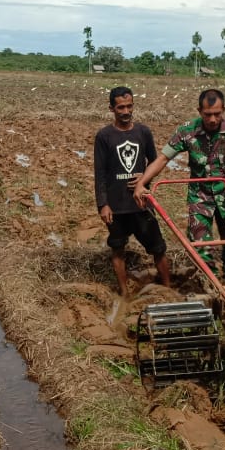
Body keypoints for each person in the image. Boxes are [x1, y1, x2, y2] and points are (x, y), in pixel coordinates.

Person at [133, 88, 225, 284]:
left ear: (223, 109)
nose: (212, 119)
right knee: (199, 243)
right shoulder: (187, 131)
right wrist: (141, 183)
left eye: (217, 114)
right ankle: (212, 284)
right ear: (199, 111)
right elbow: (163, 158)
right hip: (199, 196)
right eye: (207, 114)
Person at [93, 86, 171, 298]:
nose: (126, 111)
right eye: (121, 107)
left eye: (129, 106)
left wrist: (145, 178)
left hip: (140, 203)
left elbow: (154, 162)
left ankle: (168, 289)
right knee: (118, 249)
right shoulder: (104, 136)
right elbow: (99, 173)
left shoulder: (143, 132)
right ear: (111, 108)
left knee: (158, 248)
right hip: (116, 205)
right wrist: (103, 204)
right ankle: (125, 292)